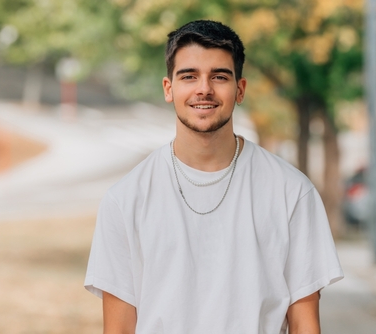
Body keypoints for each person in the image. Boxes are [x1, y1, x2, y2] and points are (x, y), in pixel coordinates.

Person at [85, 20, 343, 334]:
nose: (203, 88)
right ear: (169, 89)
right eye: (189, 76)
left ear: (240, 89)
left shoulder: (292, 192)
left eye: (219, 76)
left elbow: (305, 324)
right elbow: (119, 329)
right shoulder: (125, 200)